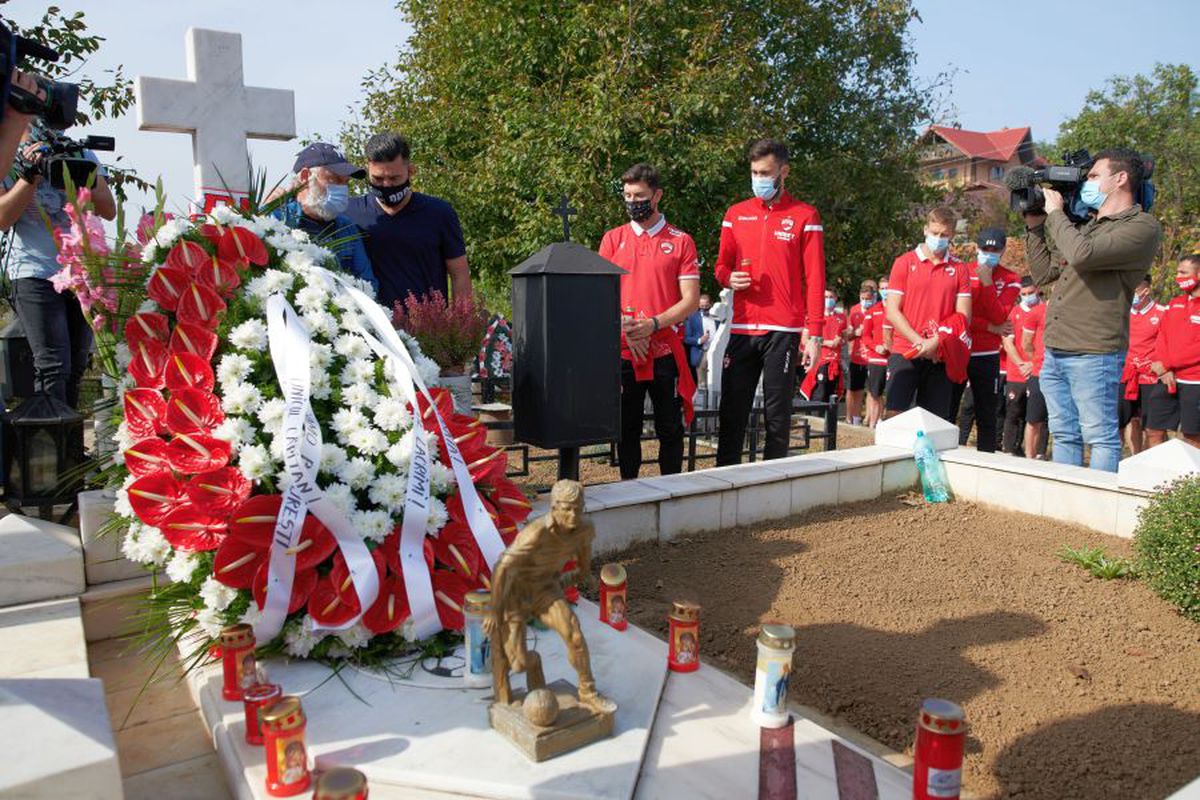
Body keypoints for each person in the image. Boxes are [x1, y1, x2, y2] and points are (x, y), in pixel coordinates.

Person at [1024, 148, 1161, 472]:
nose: (1088, 183)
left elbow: (1082, 254)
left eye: (1095, 176)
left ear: (1121, 178)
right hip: (1057, 347)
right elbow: (1043, 275)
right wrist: (1034, 226)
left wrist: (1056, 212)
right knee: (1064, 434)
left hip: (1094, 350)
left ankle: (1097, 514)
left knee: (1100, 436)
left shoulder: (1141, 227)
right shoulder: (1089, 226)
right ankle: (1069, 512)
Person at [714, 139, 826, 465]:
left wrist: (815, 333)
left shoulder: (805, 215)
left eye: (765, 172)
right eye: (753, 172)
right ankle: (724, 482)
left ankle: (771, 487)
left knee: (777, 415)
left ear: (784, 171)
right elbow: (722, 266)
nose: (759, 179)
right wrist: (727, 278)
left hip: (784, 328)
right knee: (732, 411)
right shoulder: (736, 214)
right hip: (743, 327)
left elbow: (816, 279)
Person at [0, 120, 116, 408]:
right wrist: (30, 176)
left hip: (80, 275)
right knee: (53, 364)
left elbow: (108, 209)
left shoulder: (78, 152)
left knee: (76, 365)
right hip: (33, 272)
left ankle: (71, 448)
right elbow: (2, 219)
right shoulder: (7, 154)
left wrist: (76, 173)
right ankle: (52, 448)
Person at [597, 163, 699, 480]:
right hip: (625, 352)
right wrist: (628, 327)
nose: (632, 201)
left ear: (657, 195)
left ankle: (671, 491)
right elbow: (601, 296)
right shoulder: (612, 240)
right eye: (627, 195)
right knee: (626, 427)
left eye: (639, 195)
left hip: (665, 351)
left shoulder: (681, 241)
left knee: (670, 427)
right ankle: (629, 491)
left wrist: (652, 324)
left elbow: (691, 300)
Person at [344, 132, 472, 309]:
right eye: (378, 179)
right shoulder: (348, 213)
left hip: (428, 328)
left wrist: (461, 326)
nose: (386, 185)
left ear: (410, 171)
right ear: (368, 171)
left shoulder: (439, 213)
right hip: (372, 328)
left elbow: (459, 273)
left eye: (394, 178)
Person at [882, 206, 971, 420]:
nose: (939, 239)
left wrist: (936, 343)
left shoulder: (959, 269)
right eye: (935, 233)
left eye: (944, 235)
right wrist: (920, 344)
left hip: (940, 354)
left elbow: (963, 316)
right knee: (895, 415)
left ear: (952, 236)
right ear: (925, 230)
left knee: (934, 421)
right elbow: (893, 311)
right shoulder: (904, 262)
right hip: (906, 350)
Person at [952, 228, 1021, 451]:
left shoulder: (1011, 278)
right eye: (985, 249)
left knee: (986, 414)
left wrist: (988, 283)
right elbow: (959, 315)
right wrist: (991, 326)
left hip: (987, 354)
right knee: (949, 408)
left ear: (1003, 250)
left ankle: (986, 461)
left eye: (995, 249)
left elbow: (1001, 315)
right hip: (959, 348)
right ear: (976, 248)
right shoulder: (961, 270)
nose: (989, 253)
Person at [275, 143, 377, 290]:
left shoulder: (347, 228)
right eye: (334, 179)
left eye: (346, 182)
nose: (342, 189)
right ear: (305, 177)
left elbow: (368, 284)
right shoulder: (278, 220)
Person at [1145, 255, 1200, 448]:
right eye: (1177, 272)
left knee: (1192, 437)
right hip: (1167, 377)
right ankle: (1158, 476)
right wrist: (1164, 367)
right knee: (1153, 430)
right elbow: (1162, 335)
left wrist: (1168, 364)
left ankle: (1191, 478)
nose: (1178, 276)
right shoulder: (1176, 302)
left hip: (1195, 382)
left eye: (1183, 272)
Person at [1120, 276, 1164, 454]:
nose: (1131, 295)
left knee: (1152, 425)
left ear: (1146, 291)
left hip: (1150, 378)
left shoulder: (1162, 312)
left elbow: (1167, 343)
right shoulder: (1123, 312)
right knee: (1129, 421)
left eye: (1135, 291)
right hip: (1127, 375)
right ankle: (1134, 456)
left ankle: (1153, 458)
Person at [800, 289, 846, 403]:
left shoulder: (841, 318)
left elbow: (844, 337)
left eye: (831, 297)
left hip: (835, 363)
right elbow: (804, 340)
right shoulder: (812, 317)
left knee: (832, 398)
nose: (828, 300)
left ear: (836, 298)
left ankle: (829, 421)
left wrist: (842, 339)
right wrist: (826, 342)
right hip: (819, 362)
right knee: (818, 396)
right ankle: (817, 420)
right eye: (825, 297)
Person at [845, 280, 877, 426]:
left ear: (873, 297)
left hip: (872, 358)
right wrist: (855, 333)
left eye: (868, 299)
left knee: (872, 391)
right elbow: (847, 334)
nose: (865, 302)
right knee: (853, 389)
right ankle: (852, 418)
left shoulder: (877, 310)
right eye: (863, 299)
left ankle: (870, 419)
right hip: (856, 357)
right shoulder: (854, 310)